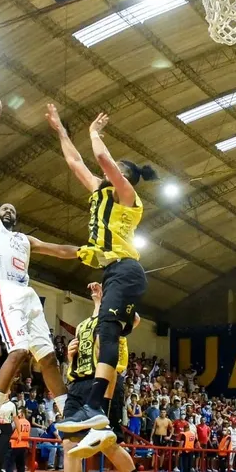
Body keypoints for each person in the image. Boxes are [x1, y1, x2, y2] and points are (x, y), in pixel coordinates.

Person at [0, 115, 78, 453]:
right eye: (4, 207)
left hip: (29, 295)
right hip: (3, 291)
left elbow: (60, 250)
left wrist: (93, 252)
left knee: (48, 361)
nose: (8, 210)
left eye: (13, 209)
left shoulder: (25, 239)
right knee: (17, 351)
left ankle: (69, 421)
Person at [47, 105, 156, 441]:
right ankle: (93, 413)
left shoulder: (128, 197)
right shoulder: (99, 190)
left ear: (122, 176)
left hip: (128, 270)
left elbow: (104, 162)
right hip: (113, 273)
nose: (107, 172)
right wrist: (59, 130)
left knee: (107, 334)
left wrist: (94, 134)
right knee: (105, 335)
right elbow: (75, 162)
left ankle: (96, 408)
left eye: (114, 171)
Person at [48, 282, 157, 472]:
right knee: (69, 443)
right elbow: (91, 330)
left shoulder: (116, 321)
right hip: (77, 384)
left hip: (103, 382)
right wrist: (70, 355)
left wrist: (111, 297)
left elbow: (134, 318)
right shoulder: (86, 324)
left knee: (107, 443)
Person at [9, 408, 31, 472]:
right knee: (21, 463)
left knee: (10, 462)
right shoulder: (28, 423)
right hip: (24, 445)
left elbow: (10, 429)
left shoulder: (16, 421)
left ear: (22, 414)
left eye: (18, 413)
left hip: (15, 444)